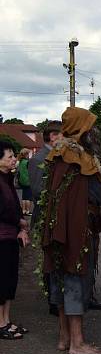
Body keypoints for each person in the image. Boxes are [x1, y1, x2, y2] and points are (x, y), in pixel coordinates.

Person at [37, 107, 101, 354]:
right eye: (90, 126)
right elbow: (95, 193)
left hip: (58, 228)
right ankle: (77, 343)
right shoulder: (79, 158)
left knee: (61, 280)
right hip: (75, 230)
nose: (94, 132)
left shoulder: (58, 153)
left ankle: (64, 337)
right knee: (74, 280)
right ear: (82, 129)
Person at [29, 120, 63, 316]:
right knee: (49, 259)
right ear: (53, 137)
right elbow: (37, 190)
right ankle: (52, 300)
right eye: (62, 135)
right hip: (45, 216)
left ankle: (56, 298)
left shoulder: (54, 157)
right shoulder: (38, 159)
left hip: (55, 216)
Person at [0, 140, 30, 340]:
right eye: (9, 157)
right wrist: (20, 222)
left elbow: (16, 205)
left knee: (10, 280)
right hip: (2, 237)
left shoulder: (8, 179)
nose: (13, 160)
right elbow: (3, 210)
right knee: (2, 280)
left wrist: (20, 225)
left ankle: (7, 320)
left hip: (11, 236)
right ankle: (0, 323)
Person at [16, 149, 32, 216]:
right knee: (28, 197)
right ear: (26, 154)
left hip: (21, 181)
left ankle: (23, 210)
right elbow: (30, 172)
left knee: (23, 197)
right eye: (28, 154)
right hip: (28, 181)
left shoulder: (20, 162)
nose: (28, 155)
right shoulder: (27, 162)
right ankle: (28, 211)